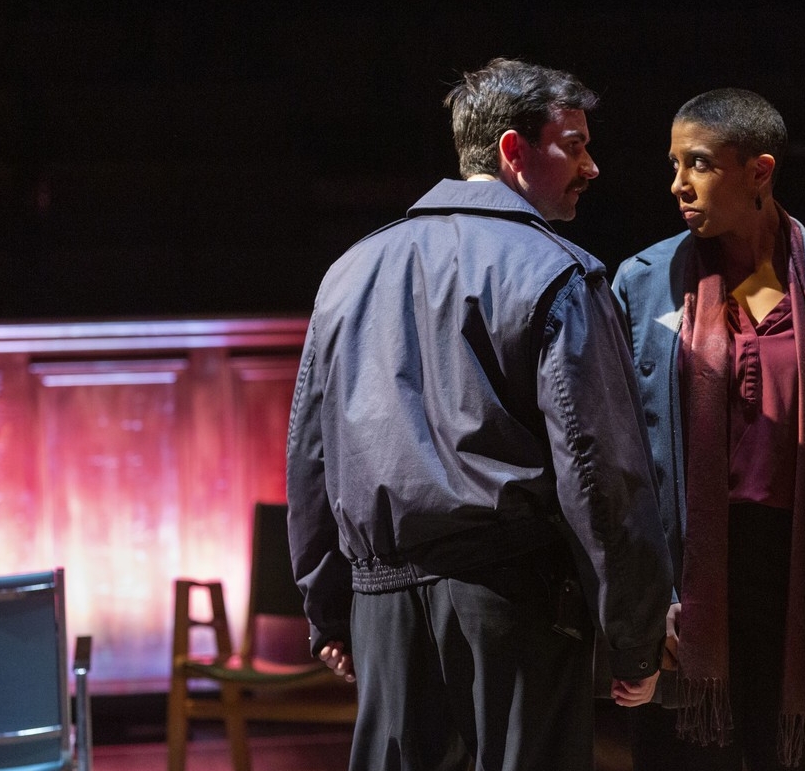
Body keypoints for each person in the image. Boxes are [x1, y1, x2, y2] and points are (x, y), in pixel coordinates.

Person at [286, 58, 673, 771]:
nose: (591, 167)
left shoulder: (347, 272)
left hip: (380, 610)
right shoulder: (558, 271)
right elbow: (600, 473)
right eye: (575, 143)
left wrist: (328, 608)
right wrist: (634, 634)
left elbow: (312, 455)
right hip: (512, 605)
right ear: (512, 151)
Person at [611, 88, 805, 771]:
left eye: (697, 163)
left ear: (758, 171)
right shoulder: (641, 282)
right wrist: (642, 595)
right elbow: (621, 458)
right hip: (694, 567)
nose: (677, 184)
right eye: (672, 164)